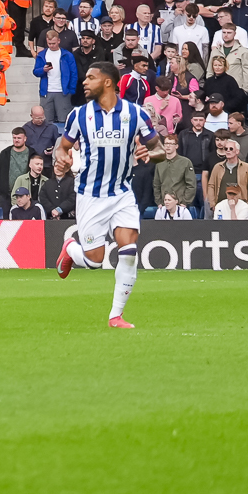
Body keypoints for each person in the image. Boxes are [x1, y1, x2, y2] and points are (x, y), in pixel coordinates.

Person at [55, 61, 151, 330]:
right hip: (90, 196)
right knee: (94, 261)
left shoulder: (135, 113)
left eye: (90, 78)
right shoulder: (78, 115)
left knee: (129, 250)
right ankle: (71, 249)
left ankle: (115, 316)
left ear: (107, 82)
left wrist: (148, 153)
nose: (84, 82)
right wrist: (61, 160)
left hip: (122, 193)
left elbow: (157, 149)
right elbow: (61, 149)